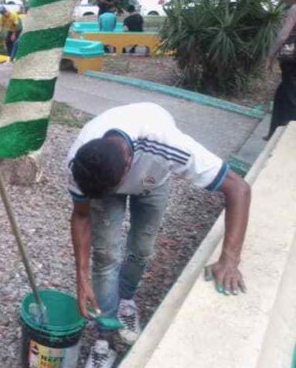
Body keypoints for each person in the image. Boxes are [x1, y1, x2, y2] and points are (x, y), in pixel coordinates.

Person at [67, 103, 251, 368]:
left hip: (153, 180)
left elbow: (238, 188)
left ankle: (126, 301)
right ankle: (104, 340)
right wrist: (81, 278)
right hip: (107, 178)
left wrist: (230, 259)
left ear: (129, 163)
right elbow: (82, 216)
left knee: (141, 249)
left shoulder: (165, 143)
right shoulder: (81, 162)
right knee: (106, 255)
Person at [266, 0, 296, 139]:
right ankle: (275, 130)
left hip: (291, 58)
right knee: (282, 93)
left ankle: (286, 136)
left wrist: (271, 55)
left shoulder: (294, 9)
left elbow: (283, 36)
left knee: (290, 95)